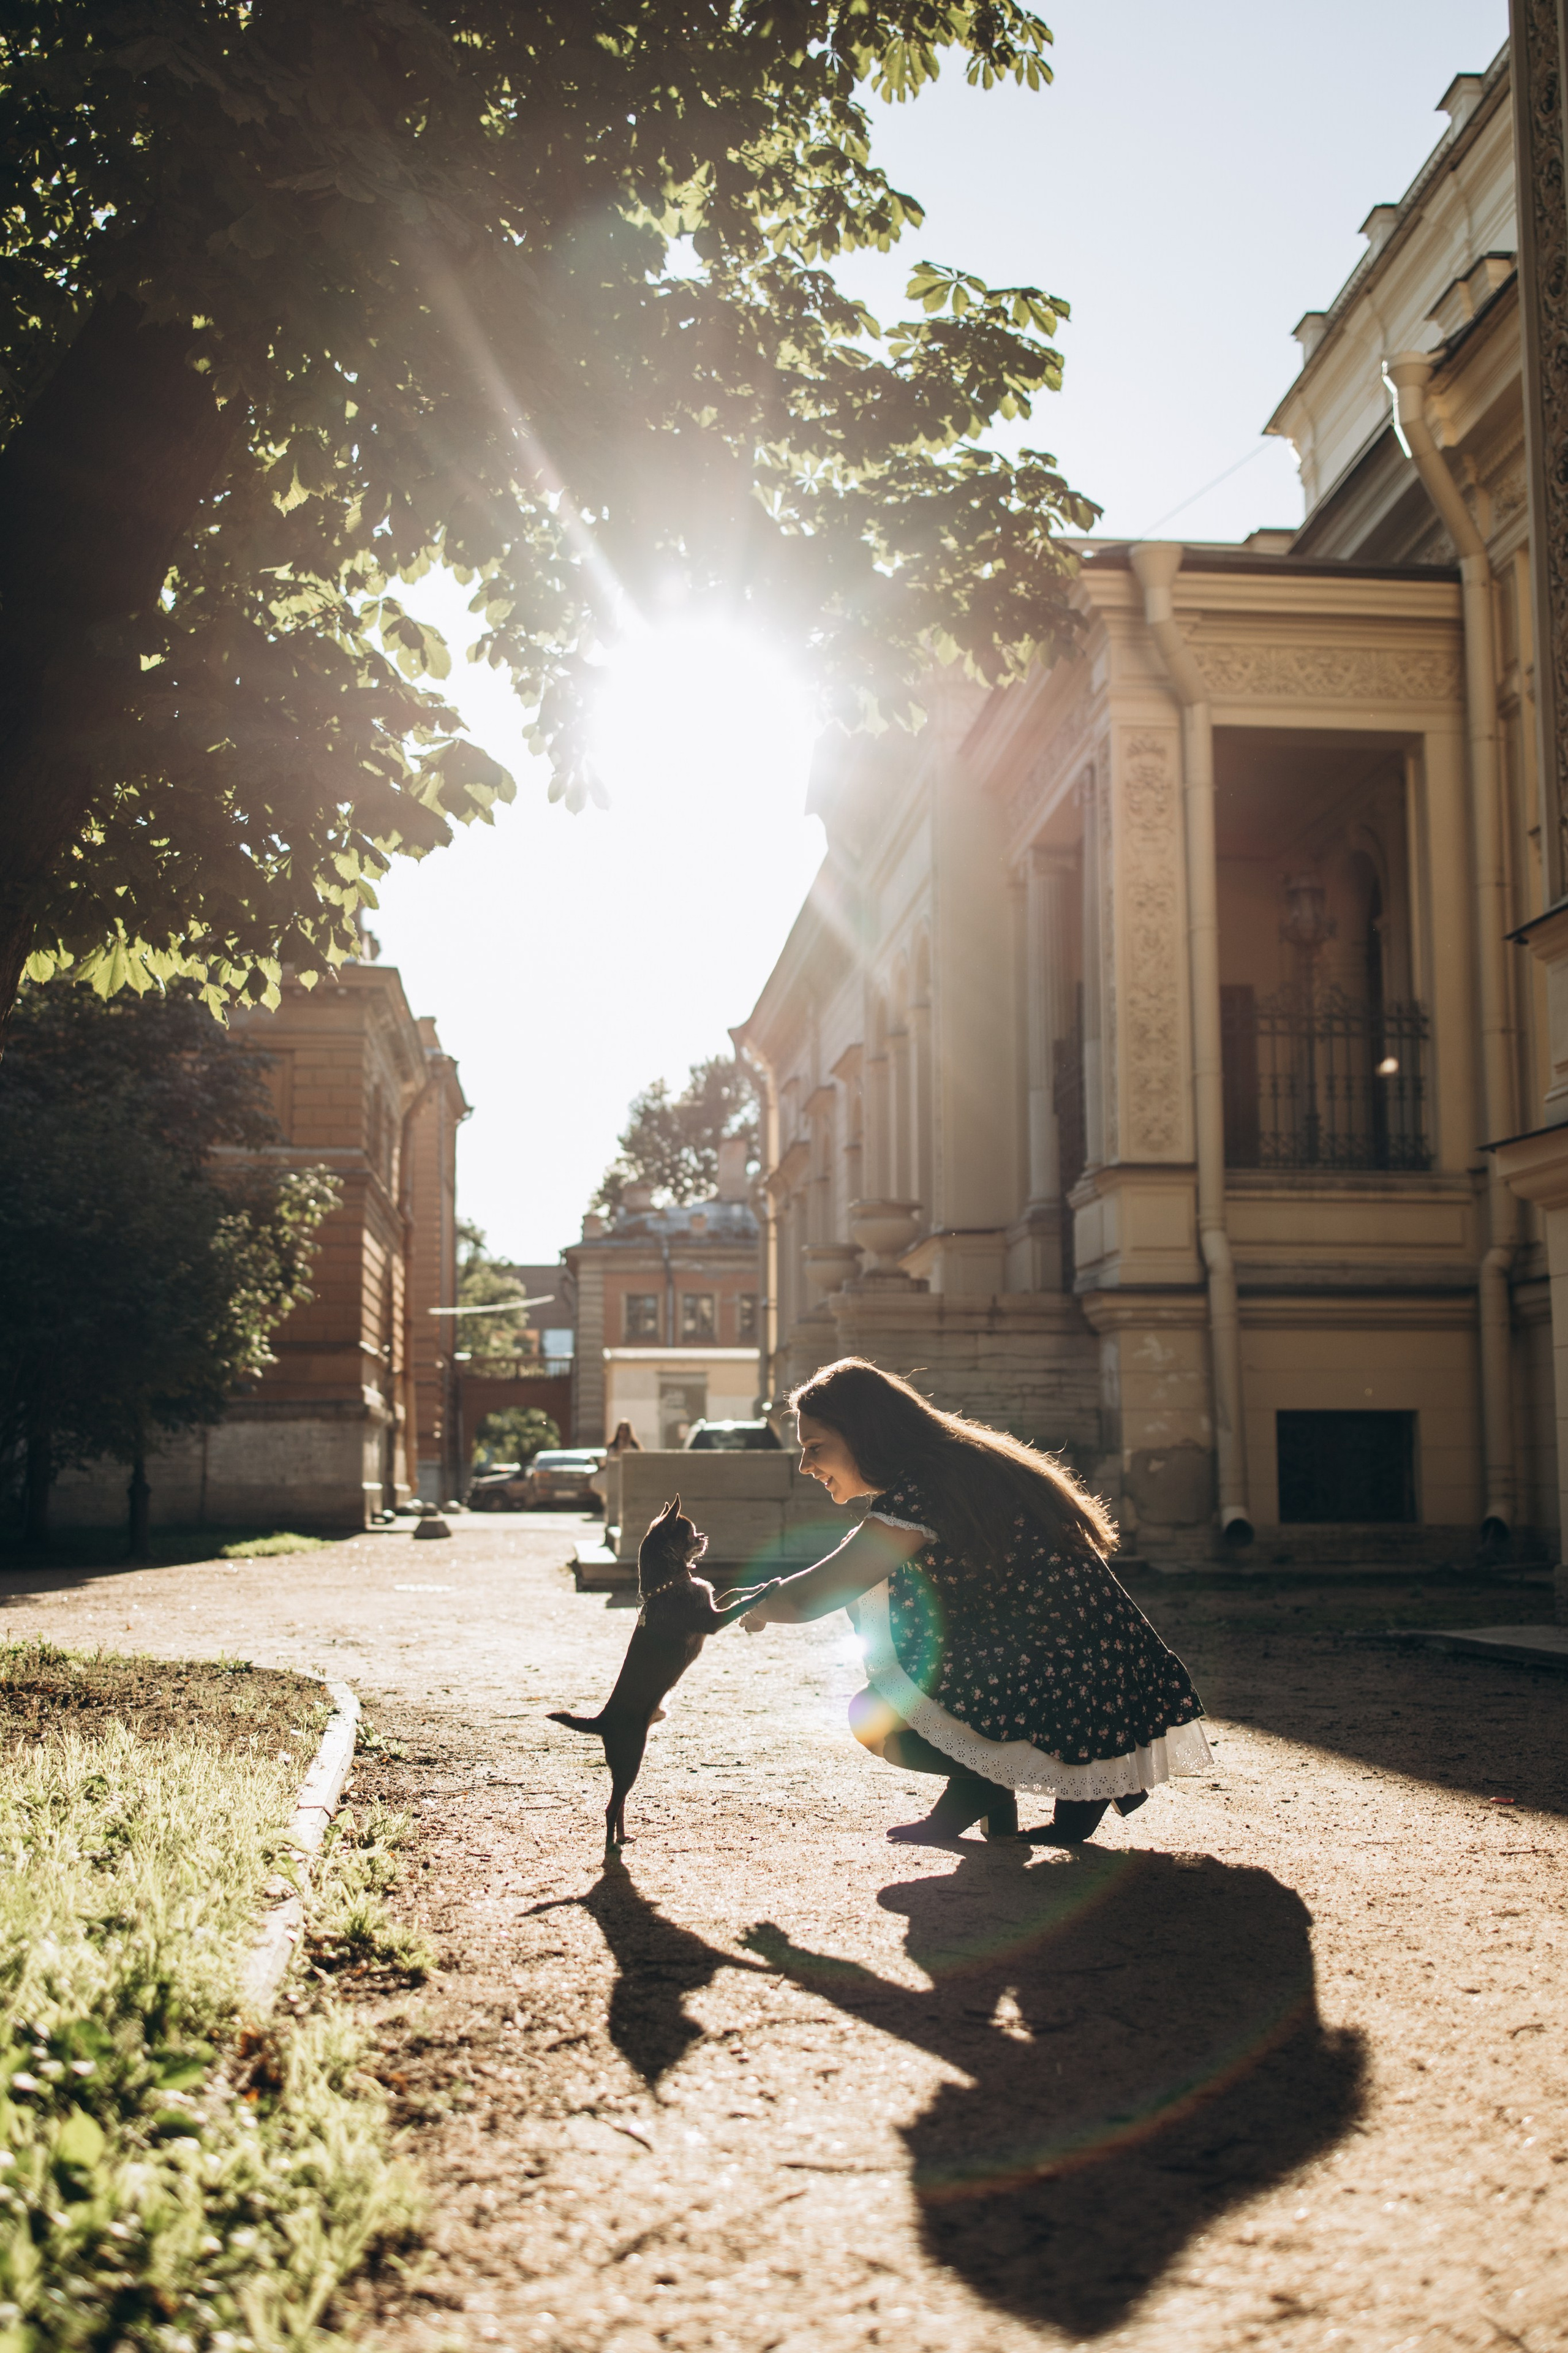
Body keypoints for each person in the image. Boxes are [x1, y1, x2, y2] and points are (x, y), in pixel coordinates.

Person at [743, 1358, 1212, 1846]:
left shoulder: (927, 1486)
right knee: (880, 1592)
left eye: (815, 1448)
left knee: (874, 1716)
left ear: (865, 1434)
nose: (805, 1465)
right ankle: (1059, 1790)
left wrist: (747, 1605)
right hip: (1101, 1675)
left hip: (1074, 1684)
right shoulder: (957, 1461)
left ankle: (998, 1783)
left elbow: (816, 1594)